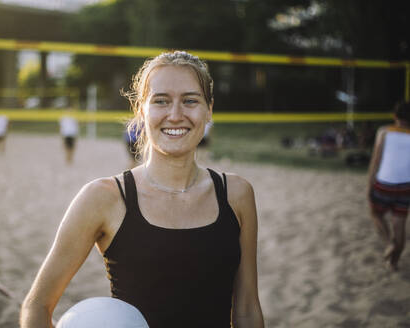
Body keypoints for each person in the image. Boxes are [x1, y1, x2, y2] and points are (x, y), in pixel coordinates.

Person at [20, 51, 264, 328]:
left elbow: (246, 310)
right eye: (161, 101)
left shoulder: (237, 194)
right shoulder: (102, 198)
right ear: (141, 110)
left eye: (190, 100)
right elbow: (37, 306)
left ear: (209, 110)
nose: (175, 115)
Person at [367, 101, 410, 271]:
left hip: (384, 184)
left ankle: (389, 243)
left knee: (375, 214)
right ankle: (393, 262)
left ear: (394, 116)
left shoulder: (384, 132)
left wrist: (369, 185)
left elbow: (375, 161)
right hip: (406, 187)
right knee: (399, 225)